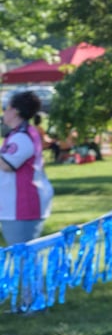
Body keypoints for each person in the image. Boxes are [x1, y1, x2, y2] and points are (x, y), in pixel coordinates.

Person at [0, 90, 54, 245]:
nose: (3, 113)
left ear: (15, 111)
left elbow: (6, 165)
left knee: (23, 258)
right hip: (14, 206)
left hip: (22, 206)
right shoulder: (18, 134)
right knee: (22, 258)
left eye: (5, 108)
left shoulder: (22, 136)